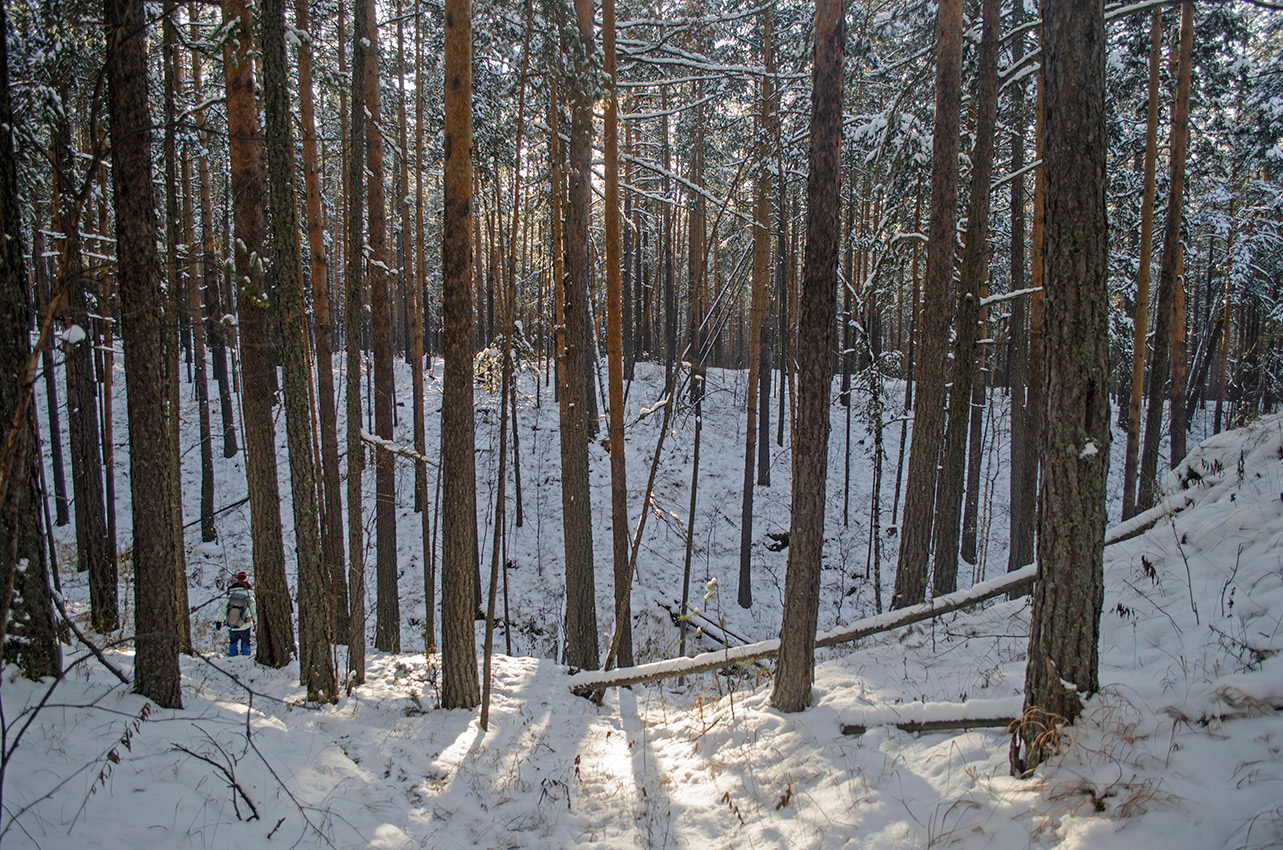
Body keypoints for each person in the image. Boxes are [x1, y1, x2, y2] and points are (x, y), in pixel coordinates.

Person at [216, 572, 256, 657]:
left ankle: (232, 657)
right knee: (246, 641)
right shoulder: (248, 595)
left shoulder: (231, 595)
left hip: (232, 624)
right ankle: (246, 658)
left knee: (233, 642)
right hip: (245, 624)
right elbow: (253, 610)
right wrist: (256, 621)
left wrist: (219, 621)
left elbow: (224, 609)